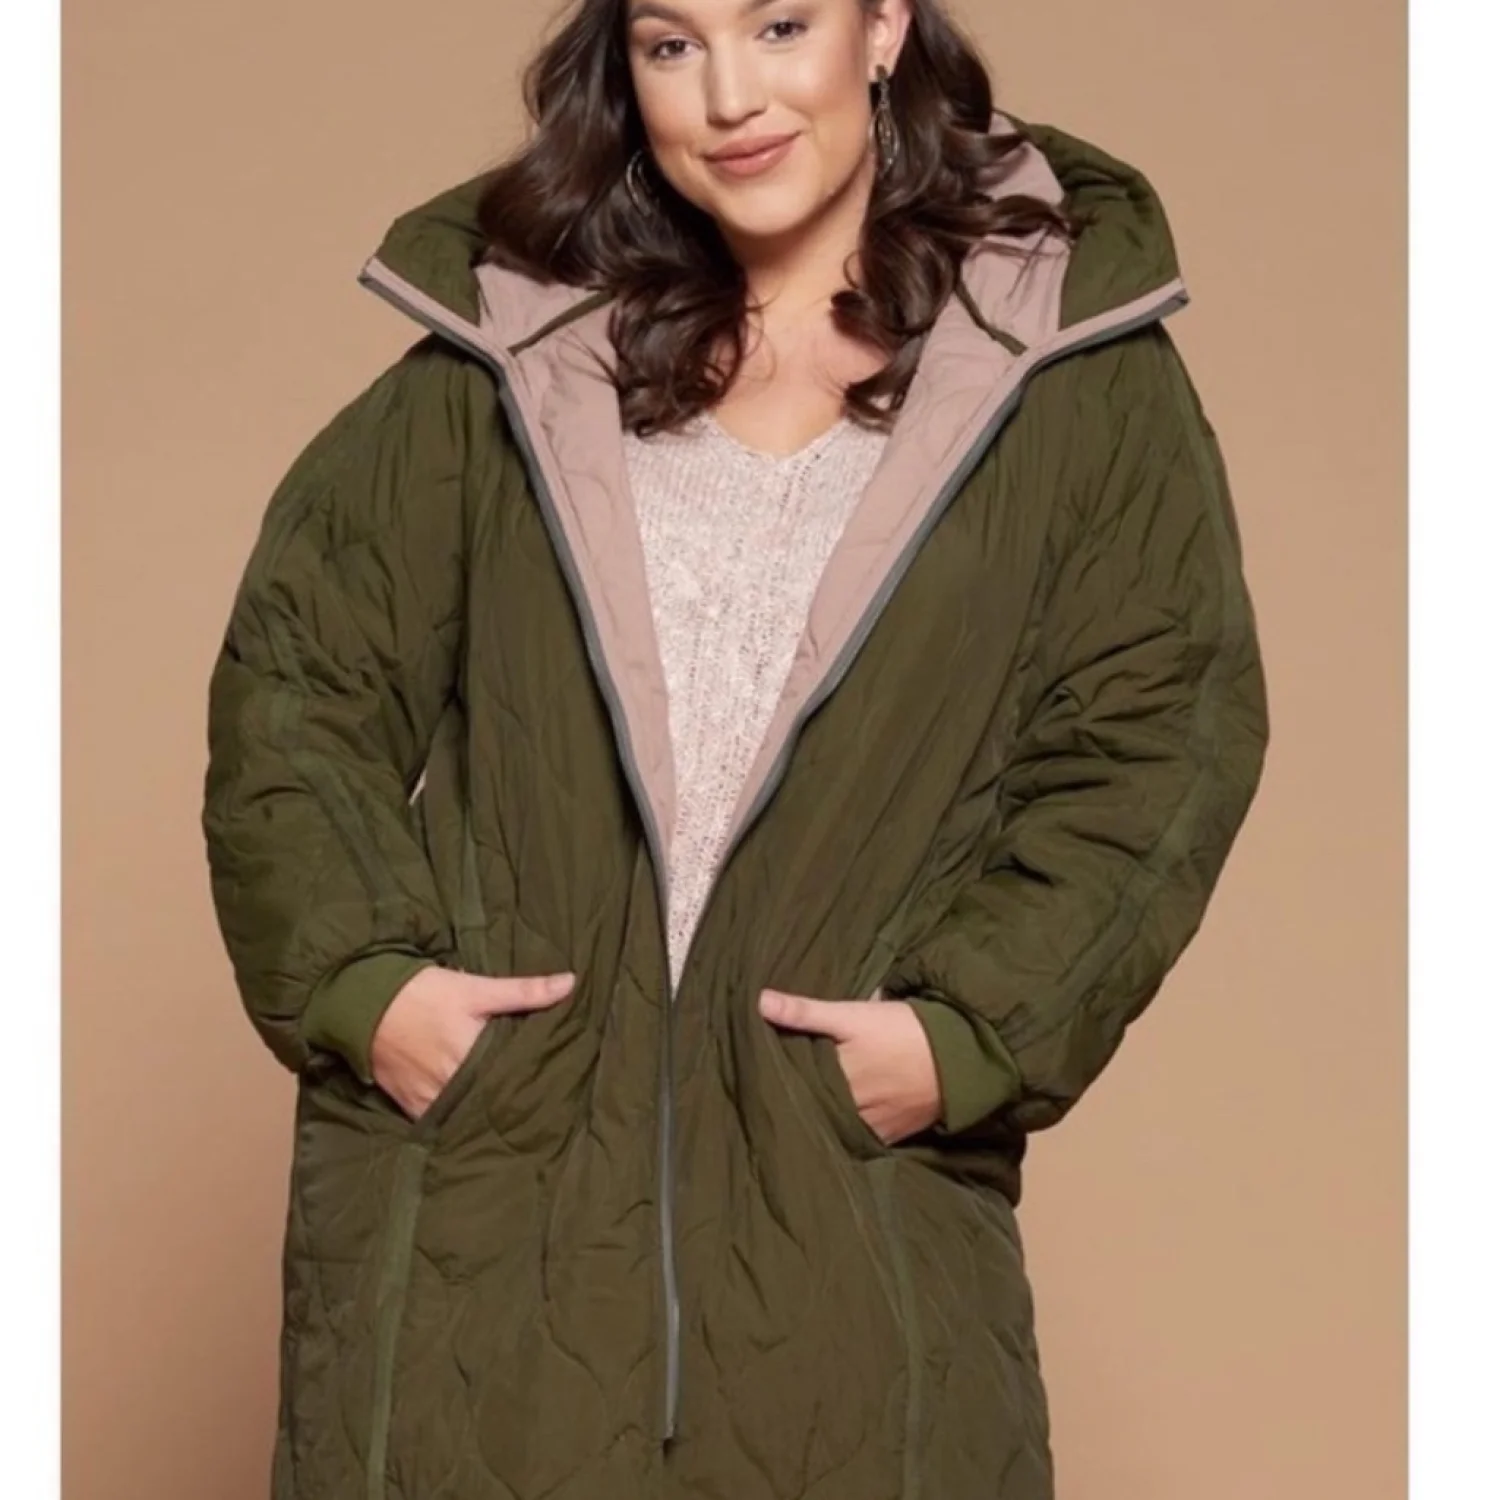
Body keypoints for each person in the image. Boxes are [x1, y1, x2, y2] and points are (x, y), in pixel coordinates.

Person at [200, 1, 1269, 1496]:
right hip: (488, 1217)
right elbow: (299, 680)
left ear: (883, 27)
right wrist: (365, 988)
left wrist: (969, 1035)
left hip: (841, 1207)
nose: (730, 97)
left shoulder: (1066, 373)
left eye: (778, 24)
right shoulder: (515, 350)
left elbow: (1161, 731)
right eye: (671, 43)